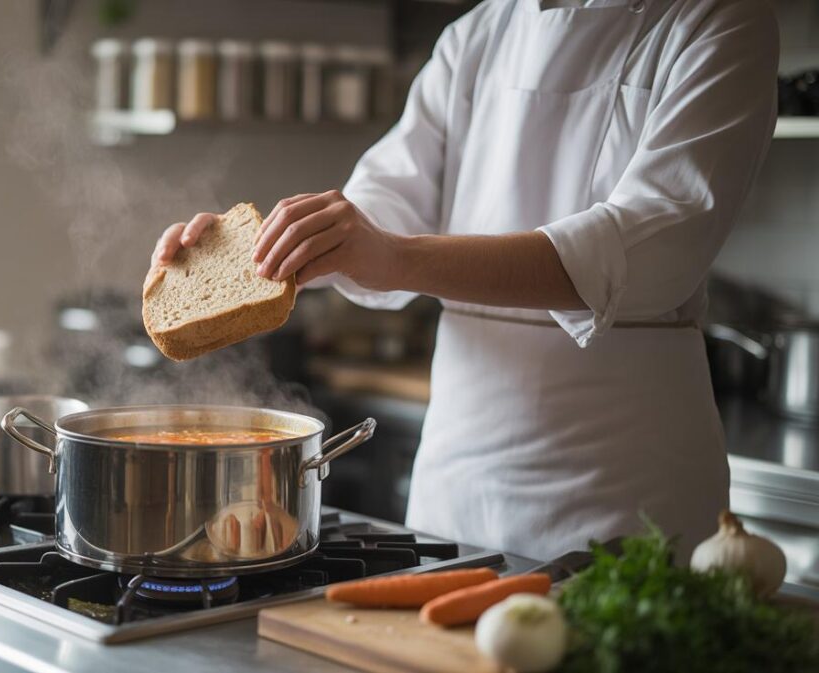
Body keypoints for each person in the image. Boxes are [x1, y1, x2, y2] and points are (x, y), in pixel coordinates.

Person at [149, 0, 779, 561]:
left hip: (624, 490)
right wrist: (261, 255)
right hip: (460, 481)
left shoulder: (718, 20)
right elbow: (380, 211)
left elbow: (649, 246)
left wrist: (394, 256)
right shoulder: (475, 34)